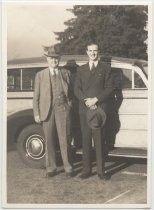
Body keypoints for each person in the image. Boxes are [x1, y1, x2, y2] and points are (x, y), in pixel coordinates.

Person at [74, 42, 115, 179]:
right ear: (86, 52)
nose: (93, 53)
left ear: (99, 52)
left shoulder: (106, 68)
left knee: (99, 141)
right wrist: (87, 101)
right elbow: (76, 89)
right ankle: (86, 170)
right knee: (85, 141)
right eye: (90, 50)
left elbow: (109, 88)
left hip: (99, 110)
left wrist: (96, 100)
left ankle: (101, 171)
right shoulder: (81, 69)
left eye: (95, 51)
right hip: (84, 110)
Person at [33, 45, 73, 178]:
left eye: (56, 58)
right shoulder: (40, 75)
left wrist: (69, 106)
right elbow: (36, 96)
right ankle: (51, 168)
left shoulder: (66, 73)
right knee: (49, 139)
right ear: (47, 60)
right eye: (51, 58)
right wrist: (37, 113)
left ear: (59, 59)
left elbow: (71, 93)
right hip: (47, 111)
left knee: (65, 139)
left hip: (62, 109)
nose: (54, 61)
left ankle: (68, 167)